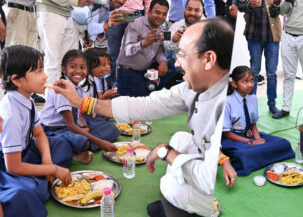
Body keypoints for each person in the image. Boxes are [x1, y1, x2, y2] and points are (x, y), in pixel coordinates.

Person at [53, 17, 237, 216]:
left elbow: (205, 174)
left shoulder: (221, 101)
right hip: (203, 158)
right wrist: (84, 103)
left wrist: (166, 153)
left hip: (205, 179)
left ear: (209, 59)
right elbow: (147, 105)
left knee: (169, 185)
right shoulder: (192, 87)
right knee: (180, 139)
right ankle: (185, 197)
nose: (176, 62)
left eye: (182, 55)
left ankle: (201, 206)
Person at [0, 45, 73, 216]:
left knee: (62, 145)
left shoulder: (28, 99)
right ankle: (41, 181)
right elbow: (13, 167)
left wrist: (47, 161)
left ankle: (43, 176)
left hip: (25, 152)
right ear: (18, 80)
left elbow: (39, 133)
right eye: (39, 71)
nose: (46, 76)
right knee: (28, 194)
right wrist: (53, 169)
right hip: (8, 165)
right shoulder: (11, 115)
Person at [40, 49, 118, 160]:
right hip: (52, 129)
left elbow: (79, 113)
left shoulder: (77, 87)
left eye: (82, 67)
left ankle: (81, 146)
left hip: (69, 127)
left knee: (111, 129)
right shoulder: (61, 89)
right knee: (80, 141)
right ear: (63, 68)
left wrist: (85, 126)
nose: (78, 71)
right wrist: (100, 142)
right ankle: (78, 151)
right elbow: (70, 125)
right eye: (73, 67)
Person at [222, 66, 295, 176]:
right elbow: (227, 133)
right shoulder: (227, 102)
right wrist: (249, 142)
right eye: (245, 81)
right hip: (233, 138)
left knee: (284, 143)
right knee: (243, 155)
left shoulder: (253, 99)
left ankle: (259, 154)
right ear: (235, 84)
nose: (250, 84)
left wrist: (258, 140)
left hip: (250, 134)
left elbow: (253, 125)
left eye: (251, 80)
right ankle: (256, 155)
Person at [271, 0, 303, 123]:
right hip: (288, 35)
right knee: (288, 76)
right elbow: (282, 11)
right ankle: (285, 108)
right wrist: (287, 0)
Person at [234, 0, 282, 115]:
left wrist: (276, 4)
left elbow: (281, 10)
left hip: (272, 37)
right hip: (254, 36)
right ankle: (251, 105)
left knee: (271, 73)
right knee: (253, 73)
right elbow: (239, 6)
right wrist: (250, 5)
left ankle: (272, 104)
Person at [116, 0, 169, 97]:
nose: (160, 16)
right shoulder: (135, 24)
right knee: (139, 103)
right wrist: (144, 43)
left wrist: (163, 61)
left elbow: (159, 51)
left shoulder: (163, 29)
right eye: (157, 12)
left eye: (164, 14)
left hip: (144, 72)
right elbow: (128, 50)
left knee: (172, 68)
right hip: (127, 72)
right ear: (149, 11)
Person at [36, 0, 93, 84]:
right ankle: (49, 96)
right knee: (53, 62)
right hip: (50, 11)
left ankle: (66, 95)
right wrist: (76, 1)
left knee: (70, 61)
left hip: (68, 13)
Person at [161, 0, 205, 89]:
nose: (192, 13)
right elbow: (165, 45)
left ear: (202, 12)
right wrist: (173, 40)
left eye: (197, 10)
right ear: (184, 9)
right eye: (189, 9)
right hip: (178, 71)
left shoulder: (209, 28)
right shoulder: (175, 25)